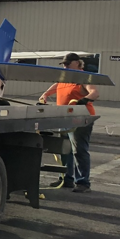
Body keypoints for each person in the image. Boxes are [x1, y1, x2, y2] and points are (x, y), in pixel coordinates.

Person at [39, 53, 100, 192]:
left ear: (78, 63)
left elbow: (95, 93)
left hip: (81, 119)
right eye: (64, 64)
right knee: (65, 150)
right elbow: (57, 85)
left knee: (78, 150)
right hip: (65, 118)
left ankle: (83, 182)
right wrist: (46, 94)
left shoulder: (84, 77)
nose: (65, 66)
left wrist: (84, 100)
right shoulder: (65, 77)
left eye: (68, 63)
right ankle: (66, 179)